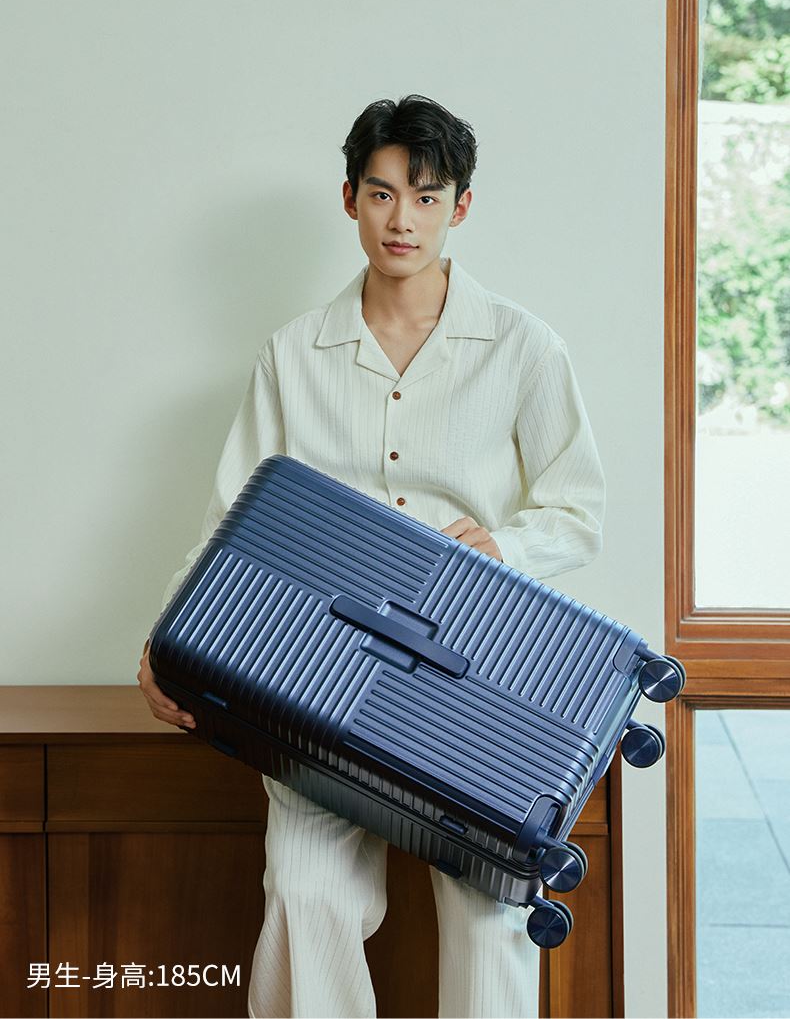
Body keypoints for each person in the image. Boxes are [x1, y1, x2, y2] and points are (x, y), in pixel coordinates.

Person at [137, 93, 606, 1019]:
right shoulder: (292, 354)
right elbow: (230, 520)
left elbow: (578, 510)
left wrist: (505, 544)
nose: (403, 220)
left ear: (460, 207)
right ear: (350, 197)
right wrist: (165, 637)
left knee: (489, 917)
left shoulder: (524, 348)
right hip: (316, 666)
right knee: (304, 894)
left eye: (427, 198)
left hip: (470, 675)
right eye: (384, 193)